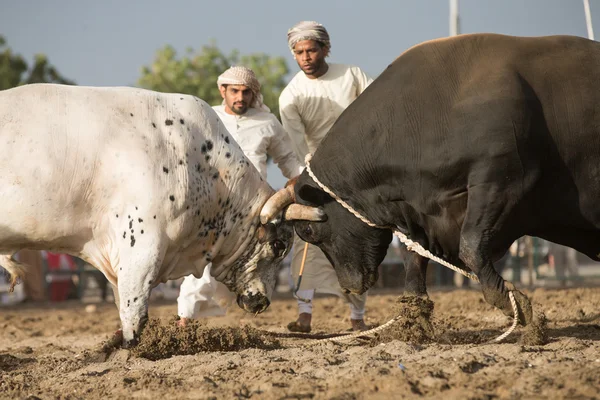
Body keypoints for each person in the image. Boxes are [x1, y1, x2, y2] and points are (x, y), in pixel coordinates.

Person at [176, 66, 304, 325]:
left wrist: (304, 184)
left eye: (247, 92)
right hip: (213, 205)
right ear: (222, 90)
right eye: (234, 91)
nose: (240, 97)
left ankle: (225, 310)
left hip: (254, 211)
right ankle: (185, 320)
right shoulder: (207, 117)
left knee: (256, 261)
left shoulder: (266, 123)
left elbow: (288, 160)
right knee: (203, 262)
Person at [279, 21, 374, 333]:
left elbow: (378, 106)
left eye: (311, 50)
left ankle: (357, 317)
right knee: (306, 239)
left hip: (358, 171)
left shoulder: (352, 75)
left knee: (355, 242)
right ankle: (304, 314)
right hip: (318, 174)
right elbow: (294, 145)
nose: (305, 56)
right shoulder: (291, 95)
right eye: (299, 52)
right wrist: (308, 172)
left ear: (325, 49)